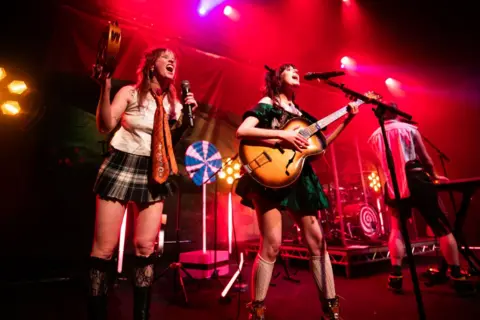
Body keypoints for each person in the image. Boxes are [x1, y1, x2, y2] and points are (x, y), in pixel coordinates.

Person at [235, 64, 359, 320]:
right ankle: (256, 311)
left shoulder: (303, 115)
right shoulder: (268, 103)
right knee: (272, 244)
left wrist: (347, 120)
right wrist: (283, 137)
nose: (295, 70)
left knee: (317, 241)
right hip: (271, 174)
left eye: (296, 69)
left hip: (300, 177)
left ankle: (331, 309)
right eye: (288, 69)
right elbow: (243, 131)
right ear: (277, 78)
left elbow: (320, 148)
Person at [88, 48, 198, 320]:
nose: (173, 60)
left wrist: (185, 121)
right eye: (166, 57)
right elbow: (105, 124)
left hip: (154, 171)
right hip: (122, 164)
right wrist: (105, 86)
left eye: (176, 58)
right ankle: (97, 314)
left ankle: (142, 315)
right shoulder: (130, 93)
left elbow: (169, 143)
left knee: (145, 247)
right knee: (105, 248)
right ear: (151, 64)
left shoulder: (174, 104)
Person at [367, 101, 465, 293]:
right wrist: (434, 176)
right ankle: (457, 274)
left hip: (393, 183)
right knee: (441, 226)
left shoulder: (374, 136)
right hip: (416, 178)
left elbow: (381, 162)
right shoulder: (409, 128)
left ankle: (395, 276)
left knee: (397, 228)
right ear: (397, 112)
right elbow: (425, 158)